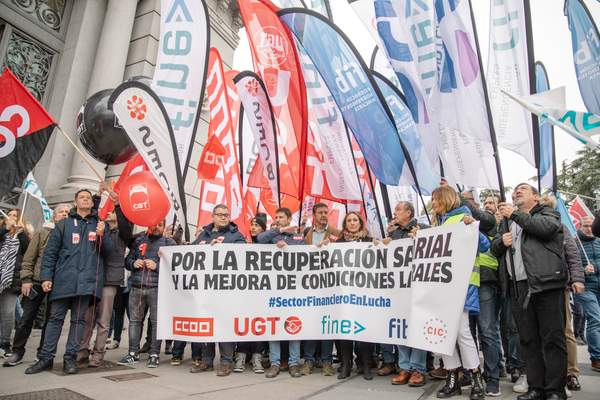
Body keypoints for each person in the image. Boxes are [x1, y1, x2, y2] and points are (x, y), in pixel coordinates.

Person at [492, 183, 569, 400]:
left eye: (522, 189)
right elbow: (495, 249)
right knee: (528, 339)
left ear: (535, 197)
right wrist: (501, 242)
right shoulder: (509, 221)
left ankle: (555, 390)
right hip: (519, 287)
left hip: (545, 283)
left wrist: (515, 214)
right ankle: (536, 387)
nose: (516, 192)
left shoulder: (547, 213)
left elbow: (545, 229)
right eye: (514, 190)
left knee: (552, 338)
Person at [25, 189, 113, 375]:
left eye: (88, 198)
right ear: (75, 202)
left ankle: (69, 359)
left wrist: (102, 236)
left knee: (79, 320)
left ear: (92, 203)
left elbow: (108, 252)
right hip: (64, 281)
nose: (86, 200)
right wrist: (46, 277)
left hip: (86, 283)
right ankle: (46, 358)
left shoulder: (99, 225)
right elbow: (50, 254)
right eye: (82, 197)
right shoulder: (63, 225)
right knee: (55, 319)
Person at [430, 186, 488, 400]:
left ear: (445, 199)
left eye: (435, 199)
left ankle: (475, 377)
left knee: (463, 332)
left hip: (461, 286)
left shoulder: (464, 217)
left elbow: (484, 245)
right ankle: (452, 377)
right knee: (442, 332)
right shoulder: (439, 223)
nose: (433, 203)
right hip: (441, 287)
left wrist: (474, 227)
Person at [3, 204, 70, 367]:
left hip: (58, 285)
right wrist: (26, 279)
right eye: (61, 212)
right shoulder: (42, 232)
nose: (65, 215)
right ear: (54, 217)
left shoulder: (71, 237)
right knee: (26, 318)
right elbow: (29, 257)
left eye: (68, 212)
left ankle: (43, 353)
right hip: (37, 282)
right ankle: (17, 351)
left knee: (51, 320)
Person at [78, 182, 133, 367]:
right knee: (88, 317)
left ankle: (98, 353)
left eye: (112, 212)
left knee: (103, 319)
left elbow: (126, 223)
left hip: (110, 280)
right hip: (94, 278)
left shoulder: (122, 234)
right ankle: (82, 349)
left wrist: (117, 203)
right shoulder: (100, 227)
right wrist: (98, 195)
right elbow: (91, 214)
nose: (107, 213)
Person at [191, 204, 247, 376]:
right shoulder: (204, 234)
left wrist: (222, 249)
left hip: (226, 291)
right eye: (220, 214)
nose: (224, 217)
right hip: (206, 290)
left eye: (227, 215)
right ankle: (206, 361)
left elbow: (244, 253)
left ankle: (225, 362)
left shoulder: (235, 235)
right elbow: (190, 251)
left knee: (224, 326)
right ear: (212, 216)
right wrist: (208, 245)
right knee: (207, 326)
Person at [117, 219, 175, 369]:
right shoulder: (139, 240)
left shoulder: (169, 243)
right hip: (136, 287)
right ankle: (132, 353)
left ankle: (154, 354)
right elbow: (128, 260)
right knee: (135, 322)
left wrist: (157, 267)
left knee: (156, 323)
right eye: (154, 224)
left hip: (157, 289)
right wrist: (133, 264)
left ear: (164, 226)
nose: (156, 227)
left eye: (160, 225)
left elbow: (175, 266)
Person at [384, 202, 428, 387]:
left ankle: (418, 369)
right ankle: (405, 368)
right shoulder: (393, 233)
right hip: (398, 288)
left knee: (417, 327)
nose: (395, 213)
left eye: (398, 210)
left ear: (408, 212)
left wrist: (421, 238)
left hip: (417, 287)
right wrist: (385, 243)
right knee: (400, 327)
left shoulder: (424, 229)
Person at [257, 207, 304, 378]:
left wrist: (287, 247)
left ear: (290, 218)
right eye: (275, 217)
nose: (277, 219)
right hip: (273, 289)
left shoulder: (298, 237)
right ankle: (274, 363)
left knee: (294, 325)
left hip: (292, 289)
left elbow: (304, 256)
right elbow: (259, 239)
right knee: (274, 326)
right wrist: (279, 231)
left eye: (281, 217)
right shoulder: (271, 235)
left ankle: (293, 363)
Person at [333, 212, 380, 381]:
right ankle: (346, 365)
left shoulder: (369, 241)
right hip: (345, 295)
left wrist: (381, 245)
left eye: (355, 220)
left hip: (363, 295)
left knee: (363, 331)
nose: (352, 223)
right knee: (345, 331)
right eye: (349, 221)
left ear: (360, 223)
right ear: (345, 224)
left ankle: (365, 364)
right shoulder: (338, 243)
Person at [301, 203, 339, 377]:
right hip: (309, 285)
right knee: (310, 323)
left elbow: (351, 242)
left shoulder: (335, 233)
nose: (324, 215)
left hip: (329, 286)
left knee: (327, 325)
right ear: (314, 214)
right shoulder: (306, 233)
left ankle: (327, 362)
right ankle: (309, 360)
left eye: (326, 212)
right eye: (320, 212)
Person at [232, 212, 268, 374]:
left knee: (259, 325)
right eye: (252, 225)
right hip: (245, 293)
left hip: (262, 294)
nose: (253, 227)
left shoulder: (269, 245)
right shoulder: (243, 245)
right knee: (243, 324)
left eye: (257, 225)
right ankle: (240, 356)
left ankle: (257, 358)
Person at [0, 209, 30, 357]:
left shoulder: (24, 236)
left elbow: (27, 250)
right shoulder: (2, 233)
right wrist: (5, 229)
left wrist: (21, 232)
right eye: (10, 215)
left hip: (10, 281)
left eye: (15, 216)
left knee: (7, 313)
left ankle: (4, 344)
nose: (12, 218)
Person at [576, 216, 600, 372]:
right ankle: (596, 358)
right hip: (586, 287)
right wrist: (583, 271)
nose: (589, 228)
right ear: (580, 225)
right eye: (585, 226)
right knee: (595, 319)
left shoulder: (599, 241)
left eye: (591, 226)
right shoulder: (575, 242)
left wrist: (596, 267)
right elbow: (572, 263)